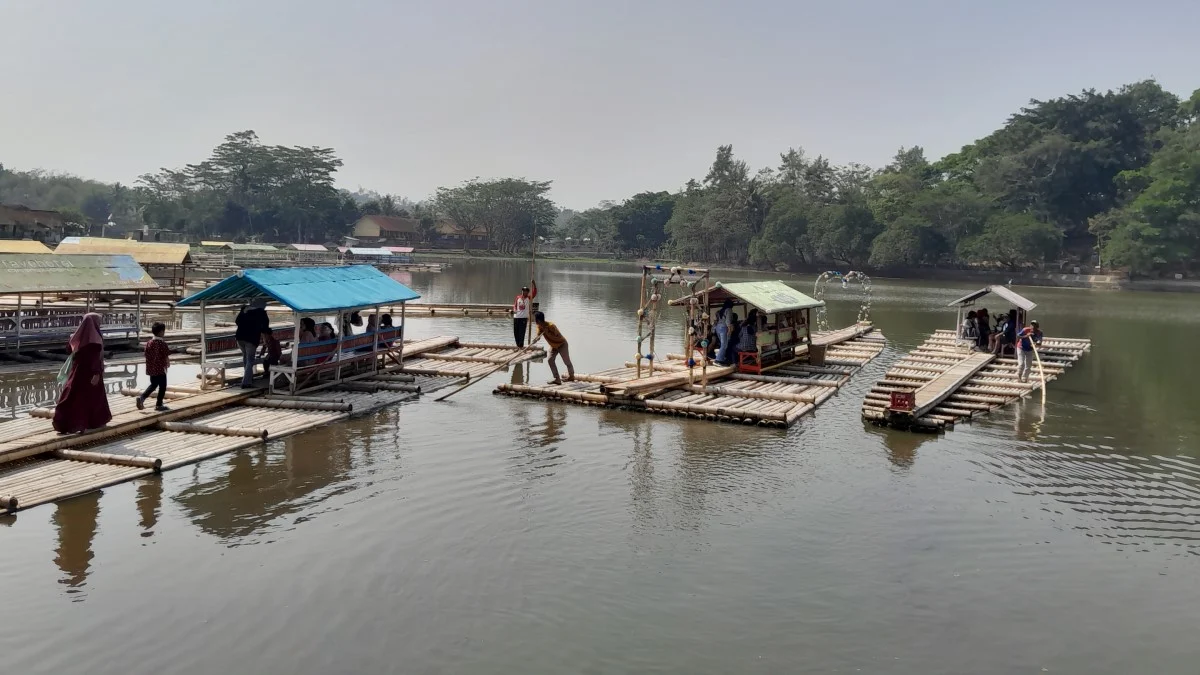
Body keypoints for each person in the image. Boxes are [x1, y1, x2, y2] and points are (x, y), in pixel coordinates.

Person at [53, 313, 112, 434]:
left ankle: (66, 422)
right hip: (90, 373)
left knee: (74, 395)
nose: (100, 324)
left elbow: (70, 349)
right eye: (98, 322)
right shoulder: (95, 338)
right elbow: (94, 357)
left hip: (78, 371)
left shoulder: (78, 336)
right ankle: (92, 422)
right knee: (92, 398)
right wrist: (96, 373)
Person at [137, 322, 171, 411]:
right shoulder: (162, 344)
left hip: (152, 368)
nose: (164, 333)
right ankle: (159, 404)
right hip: (160, 369)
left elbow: (146, 354)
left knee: (153, 384)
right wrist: (167, 363)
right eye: (163, 331)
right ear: (160, 332)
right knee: (163, 386)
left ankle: (142, 398)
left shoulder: (149, 343)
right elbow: (166, 355)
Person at [235, 299, 269, 388]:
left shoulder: (245, 310)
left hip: (240, 337)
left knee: (245, 358)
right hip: (251, 339)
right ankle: (246, 382)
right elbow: (265, 328)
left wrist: (244, 313)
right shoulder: (262, 313)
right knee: (250, 360)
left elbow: (237, 322)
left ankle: (248, 378)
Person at [533, 311, 574, 384]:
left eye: (535, 319)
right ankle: (557, 379)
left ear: (538, 320)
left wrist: (547, 331)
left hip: (562, 344)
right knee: (550, 360)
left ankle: (571, 376)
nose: (534, 320)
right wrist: (536, 339)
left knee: (566, 361)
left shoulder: (551, 325)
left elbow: (557, 335)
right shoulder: (539, 326)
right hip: (553, 346)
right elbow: (538, 335)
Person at [512, 280, 537, 348]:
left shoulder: (528, 298)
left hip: (523, 318)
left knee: (521, 332)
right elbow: (515, 305)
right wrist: (514, 310)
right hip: (516, 317)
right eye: (523, 290)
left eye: (525, 291)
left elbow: (534, 293)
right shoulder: (518, 297)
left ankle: (521, 346)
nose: (524, 292)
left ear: (527, 292)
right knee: (515, 332)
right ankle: (518, 346)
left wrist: (534, 284)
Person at [714, 299, 733, 365]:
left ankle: (721, 358)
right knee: (724, 345)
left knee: (723, 345)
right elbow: (728, 321)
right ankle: (718, 360)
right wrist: (730, 330)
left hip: (718, 328)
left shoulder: (720, 311)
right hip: (723, 328)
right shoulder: (729, 310)